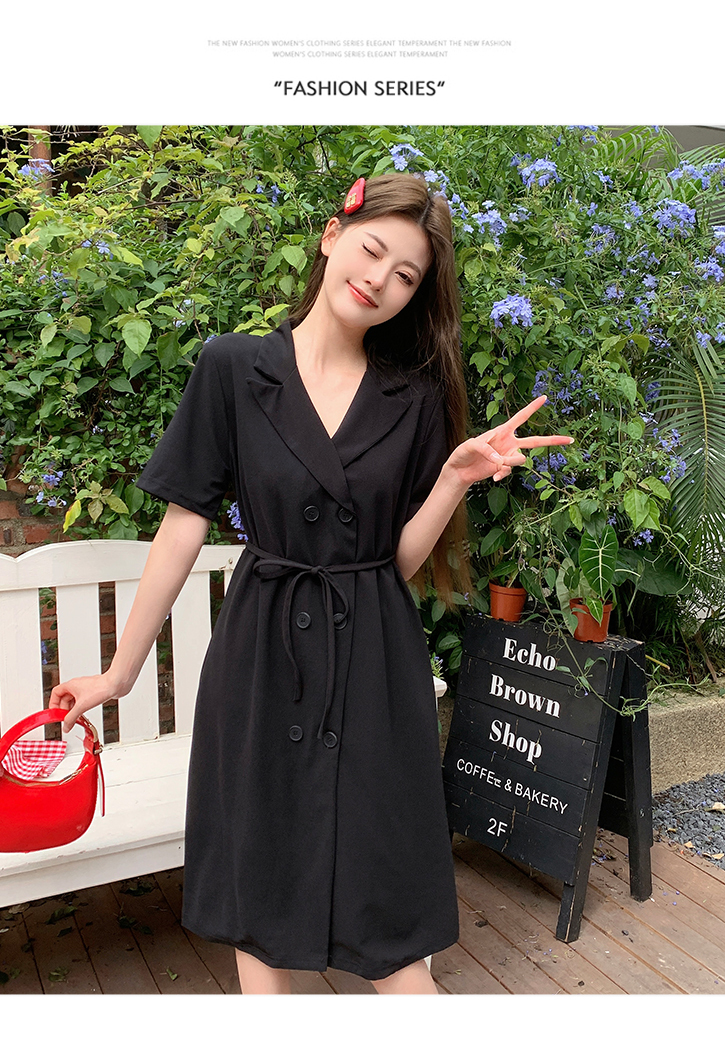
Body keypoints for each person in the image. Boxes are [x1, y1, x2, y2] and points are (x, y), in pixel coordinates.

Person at [50, 173, 572, 995]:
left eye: (407, 275)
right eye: (374, 250)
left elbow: (395, 564)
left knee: (392, 921)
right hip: (262, 661)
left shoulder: (414, 396)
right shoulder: (233, 368)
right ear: (333, 236)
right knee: (257, 905)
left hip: (375, 669)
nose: (380, 279)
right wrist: (120, 673)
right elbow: (183, 525)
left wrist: (454, 479)